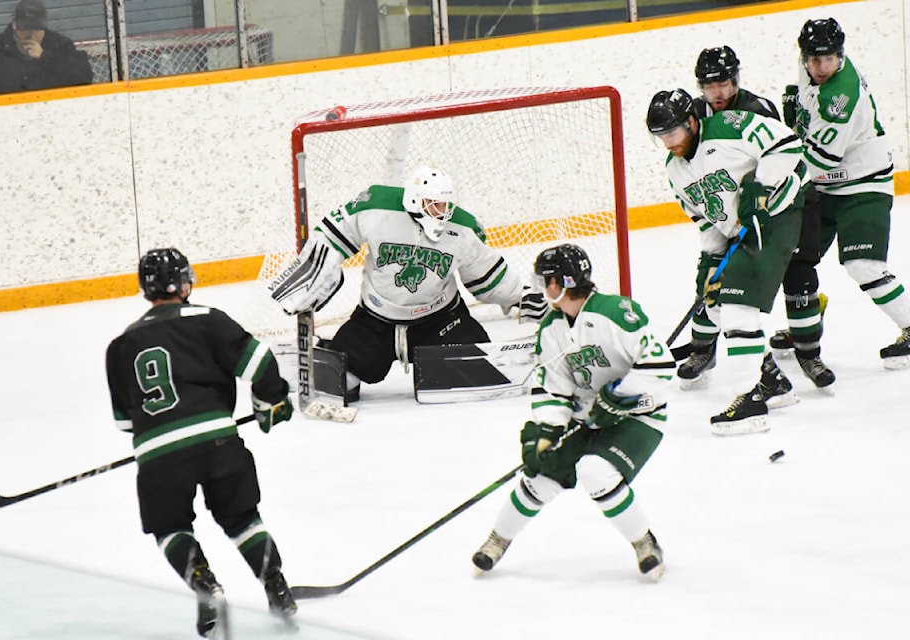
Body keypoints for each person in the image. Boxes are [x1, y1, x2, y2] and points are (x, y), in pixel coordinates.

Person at [105, 248, 297, 638]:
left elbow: (126, 423)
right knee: (241, 518)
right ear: (184, 281)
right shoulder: (208, 320)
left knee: (171, 526)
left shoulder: (120, 346)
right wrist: (270, 400)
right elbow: (260, 363)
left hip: (158, 457)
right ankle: (276, 586)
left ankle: (205, 587)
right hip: (218, 444)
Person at [471, 243, 674, 581]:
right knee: (539, 477)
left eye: (544, 280)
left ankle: (645, 543)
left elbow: (661, 367)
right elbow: (553, 385)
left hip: (638, 414)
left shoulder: (615, 312)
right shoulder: (552, 328)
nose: (541, 287)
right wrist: (548, 430)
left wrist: (619, 396)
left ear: (559, 283)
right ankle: (498, 539)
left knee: (595, 472)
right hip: (586, 418)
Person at [269, 165, 547, 401]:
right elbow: (331, 236)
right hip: (376, 321)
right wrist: (317, 268)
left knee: (475, 364)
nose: (443, 211)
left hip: (439, 320)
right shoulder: (375, 205)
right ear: (415, 200)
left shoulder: (461, 227)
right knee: (343, 380)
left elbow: (485, 274)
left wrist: (519, 297)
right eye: (435, 204)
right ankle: (305, 356)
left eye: (446, 203)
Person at [646, 88, 807, 434]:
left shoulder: (728, 126)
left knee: (738, 308)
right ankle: (771, 381)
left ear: (691, 121)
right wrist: (711, 261)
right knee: (717, 303)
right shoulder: (675, 170)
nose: (668, 143)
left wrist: (761, 188)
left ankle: (749, 401)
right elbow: (706, 220)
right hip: (739, 232)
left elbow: (787, 144)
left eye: (672, 132)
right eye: (660, 137)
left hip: (777, 216)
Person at [679, 46, 836, 391]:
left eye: (723, 83)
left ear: (736, 80)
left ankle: (808, 352)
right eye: (709, 86)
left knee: (799, 273)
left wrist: (759, 197)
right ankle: (704, 349)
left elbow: (781, 157)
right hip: (738, 212)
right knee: (717, 278)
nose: (717, 92)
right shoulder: (695, 115)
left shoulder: (757, 109)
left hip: (790, 200)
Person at [781, 18, 910, 370]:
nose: (820, 67)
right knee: (794, 260)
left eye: (828, 59)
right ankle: (805, 324)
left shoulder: (842, 95)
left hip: (863, 184)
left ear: (841, 55)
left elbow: (819, 161)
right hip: (826, 187)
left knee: (863, 265)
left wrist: (780, 180)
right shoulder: (808, 68)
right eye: (813, 59)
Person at [0, 0, 93, 98]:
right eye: (26, 28)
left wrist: (46, 57)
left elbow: (84, 76)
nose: (31, 35)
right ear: (14, 24)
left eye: (37, 28)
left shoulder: (61, 45)